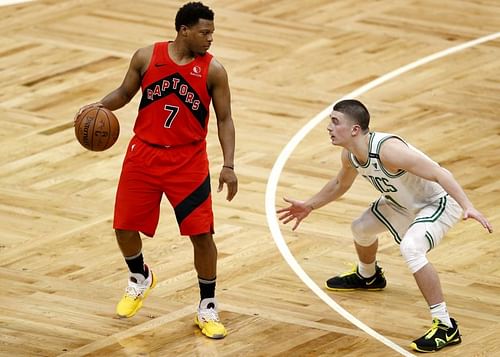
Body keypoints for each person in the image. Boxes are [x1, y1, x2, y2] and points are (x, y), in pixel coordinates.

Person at [75, 2, 237, 339]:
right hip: (143, 155)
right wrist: (98, 106)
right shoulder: (146, 57)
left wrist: (229, 165)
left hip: (188, 162)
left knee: (202, 236)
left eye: (212, 33)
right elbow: (124, 93)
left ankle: (207, 305)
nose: (210, 39)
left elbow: (224, 119)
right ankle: (140, 276)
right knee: (123, 227)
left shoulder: (213, 71)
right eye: (204, 33)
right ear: (184, 31)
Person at [277, 99, 492, 352]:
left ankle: (446, 325)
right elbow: (340, 185)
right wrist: (310, 205)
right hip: (401, 202)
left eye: (335, 122)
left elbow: (440, 173)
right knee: (360, 228)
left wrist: (467, 205)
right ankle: (368, 277)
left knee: (412, 249)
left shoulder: (388, 150)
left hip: (437, 202)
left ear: (355, 129)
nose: (329, 127)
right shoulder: (350, 154)